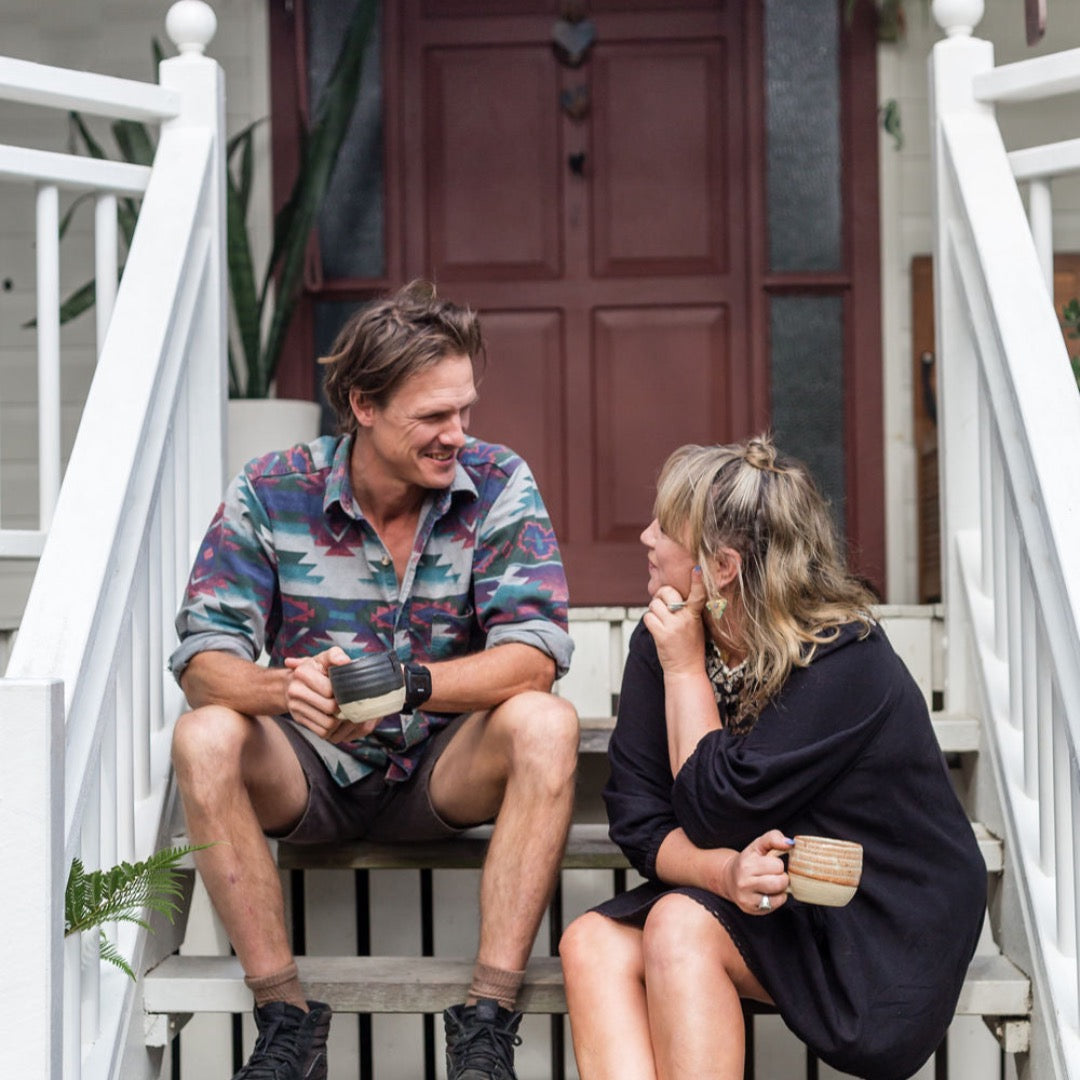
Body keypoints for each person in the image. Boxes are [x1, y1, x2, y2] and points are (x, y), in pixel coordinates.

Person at [169, 281, 578, 1080]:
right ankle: (285, 1023)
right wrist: (286, 692)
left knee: (547, 722)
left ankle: (487, 1025)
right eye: (433, 416)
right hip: (308, 770)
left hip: (440, 769)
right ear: (363, 405)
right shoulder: (272, 486)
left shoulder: (499, 481)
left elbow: (534, 654)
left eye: (465, 410)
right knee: (204, 735)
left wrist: (409, 685)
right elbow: (204, 660)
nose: (457, 434)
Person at [559, 436, 987, 1080]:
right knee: (590, 944)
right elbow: (639, 820)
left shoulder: (844, 655)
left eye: (665, 527)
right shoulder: (671, 633)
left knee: (677, 923)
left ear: (721, 566)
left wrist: (685, 673)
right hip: (774, 895)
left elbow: (716, 810)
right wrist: (724, 873)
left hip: (881, 917)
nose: (645, 536)